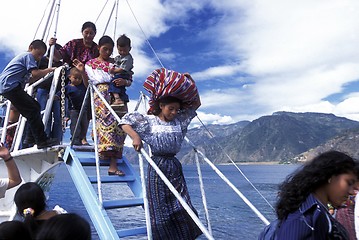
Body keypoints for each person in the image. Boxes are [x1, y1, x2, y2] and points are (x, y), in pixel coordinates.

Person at [119, 92, 202, 239]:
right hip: (157, 165)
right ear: (161, 106)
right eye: (171, 108)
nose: (174, 112)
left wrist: (190, 82)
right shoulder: (149, 121)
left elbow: (196, 104)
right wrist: (136, 136)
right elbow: (124, 122)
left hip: (174, 165)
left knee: (183, 205)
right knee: (160, 208)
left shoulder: (179, 121)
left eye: (177, 109)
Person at [268, 151, 359, 239]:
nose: (352, 192)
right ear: (330, 177)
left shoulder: (317, 213)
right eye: (349, 183)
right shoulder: (304, 219)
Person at [73, 35, 128, 176]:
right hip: (101, 96)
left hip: (118, 95)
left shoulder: (117, 63)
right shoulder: (90, 64)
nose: (108, 52)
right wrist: (82, 72)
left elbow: (129, 77)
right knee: (107, 129)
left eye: (110, 50)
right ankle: (110, 163)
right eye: (105, 49)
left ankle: (113, 165)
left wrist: (125, 82)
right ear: (99, 48)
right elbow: (87, 84)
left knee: (119, 128)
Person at [0, 39, 58, 149]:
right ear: (31, 48)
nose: (39, 57)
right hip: (10, 86)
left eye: (42, 55)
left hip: (8, 87)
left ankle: (30, 138)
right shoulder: (28, 56)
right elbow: (35, 73)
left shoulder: (23, 60)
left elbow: (29, 79)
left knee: (33, 108)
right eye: (38, 54)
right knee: (33, 109)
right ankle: (41, 140)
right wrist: (50, 70)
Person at [49, 21, 98, 145]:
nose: (88, 36)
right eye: (86, 32)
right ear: (82, 32)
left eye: (91, 33)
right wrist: (51, 46)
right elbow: (59, 56)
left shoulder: (96, 49)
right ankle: (74, 137)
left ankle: (83, 138)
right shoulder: (73, 44)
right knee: (73, 111)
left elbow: (102, 61)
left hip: (88, 80)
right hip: (74, 79)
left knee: (87, 111)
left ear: (95, 34)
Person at [65, 67, 89, 146]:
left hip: (83, 109)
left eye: (80, 78)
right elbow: (61, 94)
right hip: (73, 110)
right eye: (75, 78)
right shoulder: (68, 88)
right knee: (75, 125)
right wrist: (57, 97)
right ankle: (75, 139)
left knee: (84, 125)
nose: (78, 80)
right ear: (70, 77)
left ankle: (82, 138)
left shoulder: (83, 87)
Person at [109, 34, 133, 109]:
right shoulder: (119, 57)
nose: (122, 52)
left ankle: (117, 99)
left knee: (113, 83)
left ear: (129, 49)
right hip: (120, 74)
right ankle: (122, 100)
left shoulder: (128, 58)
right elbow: (114, 60)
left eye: (124, 50)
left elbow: (123, 69)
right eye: (120, 50)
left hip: (123, 74)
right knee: (121, 89)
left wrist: (114, 71)